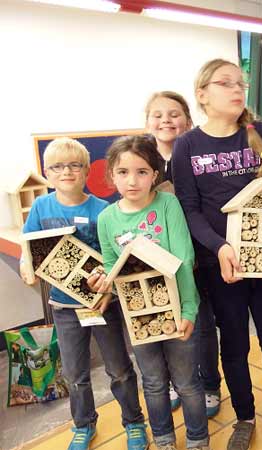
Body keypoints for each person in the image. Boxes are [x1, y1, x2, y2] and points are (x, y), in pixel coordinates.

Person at [171, 59, 262, 450]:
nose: (238, 89)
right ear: (202, 94)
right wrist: (220, 247)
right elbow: (189, 208)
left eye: (241, 83)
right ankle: (245, 418)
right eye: (226, 83)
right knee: (234, 345)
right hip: (223, 267)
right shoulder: (187, 145)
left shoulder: (261, 133)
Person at [20, 137, 148, 450]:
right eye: (58, 167)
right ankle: (83, 424)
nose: (67, 172)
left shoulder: (102, 210)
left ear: (87, 171)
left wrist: (110, 286)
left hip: (102, 304)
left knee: (119, 368)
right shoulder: (40, 206)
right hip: (63, 308)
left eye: (75, 165)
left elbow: (115, 256)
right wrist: (27, 265)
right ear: (47, 173)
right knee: (76, 373)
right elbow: (29, 244)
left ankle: (133, 421)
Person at [92, 135, 209, 450]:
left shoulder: (167, 203)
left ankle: (198, 439)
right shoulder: (106, 219)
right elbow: (110, 263)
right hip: (138, 318)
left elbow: (184, 258)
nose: (133, 180)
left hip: (178, 309)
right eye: (123, 172)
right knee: (154, 383)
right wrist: (104, 279)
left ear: (155, 175)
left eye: (142, 171)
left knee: (186, 383)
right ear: (111, 175)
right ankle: (163, 439)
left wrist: (187, 311)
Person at [145, 91, 223, 417]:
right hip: (157, 262)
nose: (166, 120)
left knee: (203, 323)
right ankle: (179, 383)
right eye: (158, 115)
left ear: (189, 121)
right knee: (167, 324)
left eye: (174, 114)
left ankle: (209, 385)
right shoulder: (142, 161)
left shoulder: (196, 156)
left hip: (198, 256)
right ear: (147, 122)